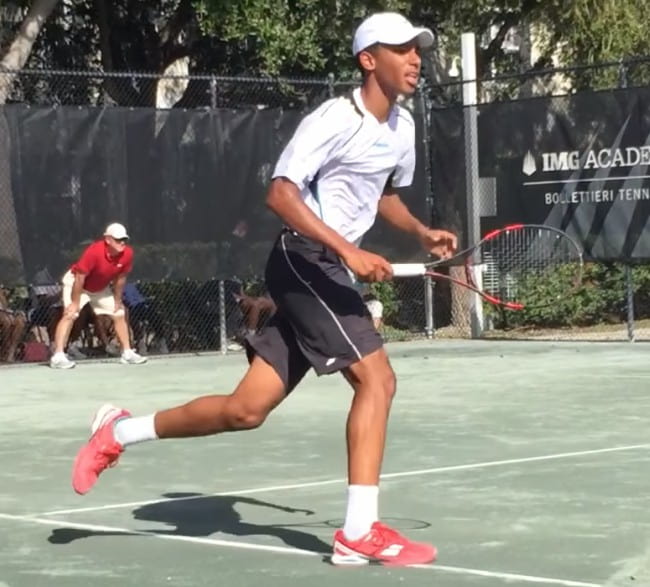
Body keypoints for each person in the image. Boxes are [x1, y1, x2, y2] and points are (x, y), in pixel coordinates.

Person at [71, 13, 457, 567]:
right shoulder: (333, 119)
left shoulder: (403, 129)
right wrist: (347, 251)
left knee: (245, 409)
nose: (416, 58)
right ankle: (357, 532)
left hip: (330, 268)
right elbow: (280, 195)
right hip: (304, 260)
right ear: (369, 59)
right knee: (378, 379)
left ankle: (117, 432)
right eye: (402, 49)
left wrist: (421, 231)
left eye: (418, 49)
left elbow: (382, 195)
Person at [49, 222, 147, 368]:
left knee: (119, 312)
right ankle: (58, 356)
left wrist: (117, 300)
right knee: (70, 314)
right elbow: (80, 277)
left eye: (124, 240)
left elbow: (121, 279)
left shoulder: (127, 254)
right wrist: (75, 303)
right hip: (77, 283)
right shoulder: (94, 251)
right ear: (107, 239)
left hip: (99, 288)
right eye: (118, 239)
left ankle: (127, 353)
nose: (122, 243)